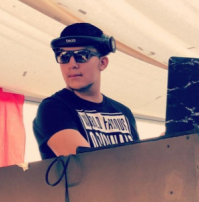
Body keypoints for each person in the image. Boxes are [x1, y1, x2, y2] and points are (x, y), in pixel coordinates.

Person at [33, 23, 139, 159]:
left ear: (102, 63)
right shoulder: (52, 108)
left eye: (82, 55)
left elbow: (139, 164)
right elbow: (85, 164)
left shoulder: (124, 112)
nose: (72, 64)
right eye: (64, 56)